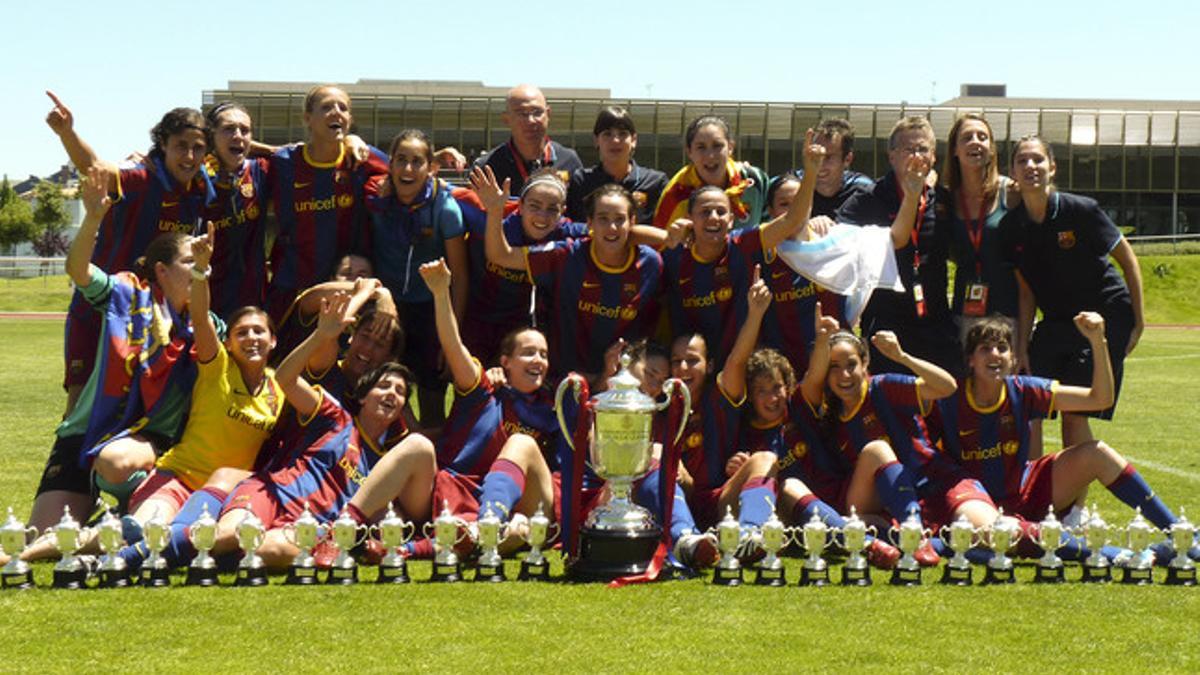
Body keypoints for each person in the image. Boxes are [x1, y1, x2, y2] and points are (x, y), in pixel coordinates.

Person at [21, 167, 217, 561]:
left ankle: (130, 507)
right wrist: (94, 216)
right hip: (86, 431)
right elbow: (78, 271)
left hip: (149, 441)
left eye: (204, 262)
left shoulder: (209, 325)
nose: (200, 267)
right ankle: (108, 521)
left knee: (116, 462)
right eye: (188, 260)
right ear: (161, 271)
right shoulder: (128, 294)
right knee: (38, 539)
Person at [931, 315, 1198, 563]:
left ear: (1013, 359)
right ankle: (1120, 555)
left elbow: (1100, 399)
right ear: (970, 360)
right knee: (999, 532)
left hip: (1023, 491)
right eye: (985, 348)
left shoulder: (1025, 390)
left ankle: (1180, 534)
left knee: (1097, 453)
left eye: (1002, 348)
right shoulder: (949, 397)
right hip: (973, 499)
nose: (995, 355)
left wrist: (1098, 341)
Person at [109, 222, 282, 532]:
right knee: (141, 530)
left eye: (259, 331)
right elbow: (200, 317)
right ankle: (47, 549)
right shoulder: (217, 365)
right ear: (227, 342)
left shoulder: (280, 388)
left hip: (225, 490)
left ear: (273, 340)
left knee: (182, 538)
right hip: (178, 475)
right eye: (241, 333)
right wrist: (201, 270)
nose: (252, 338)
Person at [45, 92, 214, 410]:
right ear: (163, 144)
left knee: (136, 409)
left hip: (151, 317)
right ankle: (67, 460)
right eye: (181, 145)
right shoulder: (140, 177)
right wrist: (67, 132)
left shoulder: (203, 187)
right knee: (80, 405)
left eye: (198, 147)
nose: (190, 155)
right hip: (100, 303)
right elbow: (92, 166)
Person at [803, 324, 997, 562]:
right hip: (885, 503)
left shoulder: (883, 387)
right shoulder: (828, 412)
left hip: (935, 484)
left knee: (993, 535)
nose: (844, 375)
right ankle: (914, 532)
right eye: (835, 367)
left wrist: (902, 357)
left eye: (851, 364)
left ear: (864, 363)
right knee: (876, 453)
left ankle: (933, 543)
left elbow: (947, 387)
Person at [1001, 134, 1145, 449]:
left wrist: (1138, 321)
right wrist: (1022, 347)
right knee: (1029, 403)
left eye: (1037, 159)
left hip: (1103, 316)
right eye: (1022, 160)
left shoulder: (1081, 210)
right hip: (1056, 321)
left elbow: (1128, 259)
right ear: (1012, 171)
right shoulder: (1011, 228)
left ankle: (1074, 500)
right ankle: (1032, 494)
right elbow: (1026, 294)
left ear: (1052, 167)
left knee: (1075, 413)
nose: (1030, 166)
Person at [419, 258, 558, 551]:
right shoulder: (483, 391)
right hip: (467, 491)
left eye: (543, 355)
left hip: (529, 503)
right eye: (529, 353)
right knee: (509, 533)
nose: (538, 361)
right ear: (505, 362)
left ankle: (489, 525)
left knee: (521, 443)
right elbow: (454, 346)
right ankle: (482, 536)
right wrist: (441, 293)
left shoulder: (552, 408)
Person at [476, 167, 662, 384]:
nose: (611, 227)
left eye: (619, 219)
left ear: (632, 222)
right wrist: (495, 210)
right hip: (564, 378)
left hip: (622, 381)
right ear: (589, 223)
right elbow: (501, 255)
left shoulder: (651, 263)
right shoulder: (565, 254)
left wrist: (669, 237)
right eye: (602, 218)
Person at [737, 342, 901, 566]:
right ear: (751, 396)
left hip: (839, 504)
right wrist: (735, 466)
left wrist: (823, 336)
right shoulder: (747, 436)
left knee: (877, 452)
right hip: (791, 516)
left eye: (777, 387)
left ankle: (917, 536)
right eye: (761, 391)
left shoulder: (798, 409)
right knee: (789, 485)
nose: (772, 398)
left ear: (787, 386)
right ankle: (867, 544)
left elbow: (814, 375)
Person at [838, 116, 959, 377]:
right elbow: (839, 234)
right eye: (908, 149)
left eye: (923, 149)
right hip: (886, 325)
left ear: (934, 157)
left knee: (943, 406)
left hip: (936, 323)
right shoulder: (869, 199)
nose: (916, 156)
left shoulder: (945, 201)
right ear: (891, 156)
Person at [363, 129, 467, 428]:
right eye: (401, 160)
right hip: (388, 310)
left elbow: (460, 275)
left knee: (432, 401)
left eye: (417, 161)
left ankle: (432, 465)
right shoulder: (376, 199)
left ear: (431, 167)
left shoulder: (445, 208)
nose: (408, 169)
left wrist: (453, 338)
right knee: (383, 396)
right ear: (390, 164)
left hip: (430, 312)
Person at [263, 84, 389, 322]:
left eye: (343, 107)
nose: (336, 112)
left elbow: (411, 175)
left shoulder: (363, 158)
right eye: (327, 107)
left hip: (347, 286)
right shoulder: (284, 163)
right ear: (308, 118)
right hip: (293, 285)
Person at [671, 268, 772, 532]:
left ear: (709, 365)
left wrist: (756, 313)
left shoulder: (719, 397)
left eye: (692, 360)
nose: (683, 368)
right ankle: (684, 536)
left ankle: (750, 536)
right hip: (678, 499)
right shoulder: (662, 405)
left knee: (764, 460)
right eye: (676, 361)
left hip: (720, 500)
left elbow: (738, 359)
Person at [460, 170, 585, 366]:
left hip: (520, 326)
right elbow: (441, 191)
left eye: (552, 209)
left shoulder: (565, 232)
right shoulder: (487, 220)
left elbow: (612, 231)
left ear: (563, 211)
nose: (542, 217)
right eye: (534, 206)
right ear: (520, 205)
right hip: (477, 320)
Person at [936, 113, 1018, 331]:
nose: (975, 142)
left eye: (982, 137)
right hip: (964, 314)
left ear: (992, 148)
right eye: (967, 137)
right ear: (954, 150)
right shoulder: (946, 198)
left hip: (1008, 312)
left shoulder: (1011, 192)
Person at [201, 101, 272, 320]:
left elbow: (314, 154)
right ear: (211, 135)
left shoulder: (260, 171)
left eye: (245, 130)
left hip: (250, 299)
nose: (238, 135)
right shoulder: (194, 175)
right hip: (202, 296)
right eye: (229, 129)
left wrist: (350, 139)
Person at [653, 115, 768, 232]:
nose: (710, 156)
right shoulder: (676, 194)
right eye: (701, 147)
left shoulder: (753, 180)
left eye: (717, 146)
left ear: (730, 148)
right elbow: (660, 245)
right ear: (689, 152)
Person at [473, 84, 582, 196]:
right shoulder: (487, 167)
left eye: (537, 112)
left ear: (548, 114)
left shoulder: (569, 161)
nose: (531, 121)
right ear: (506, 119)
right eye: (521, 113)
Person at [566, 106, 666, 225]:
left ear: (634, 140)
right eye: (607, 134)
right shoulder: (581, 181)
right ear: (596, 140)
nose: (615, 140)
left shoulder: (655, 182)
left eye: (622, 134)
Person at [790, 117, 874, 218]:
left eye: (828, 157)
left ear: (847, 159)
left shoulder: (863, 189)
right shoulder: (792, 185)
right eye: (814, 155)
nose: (819, 164)